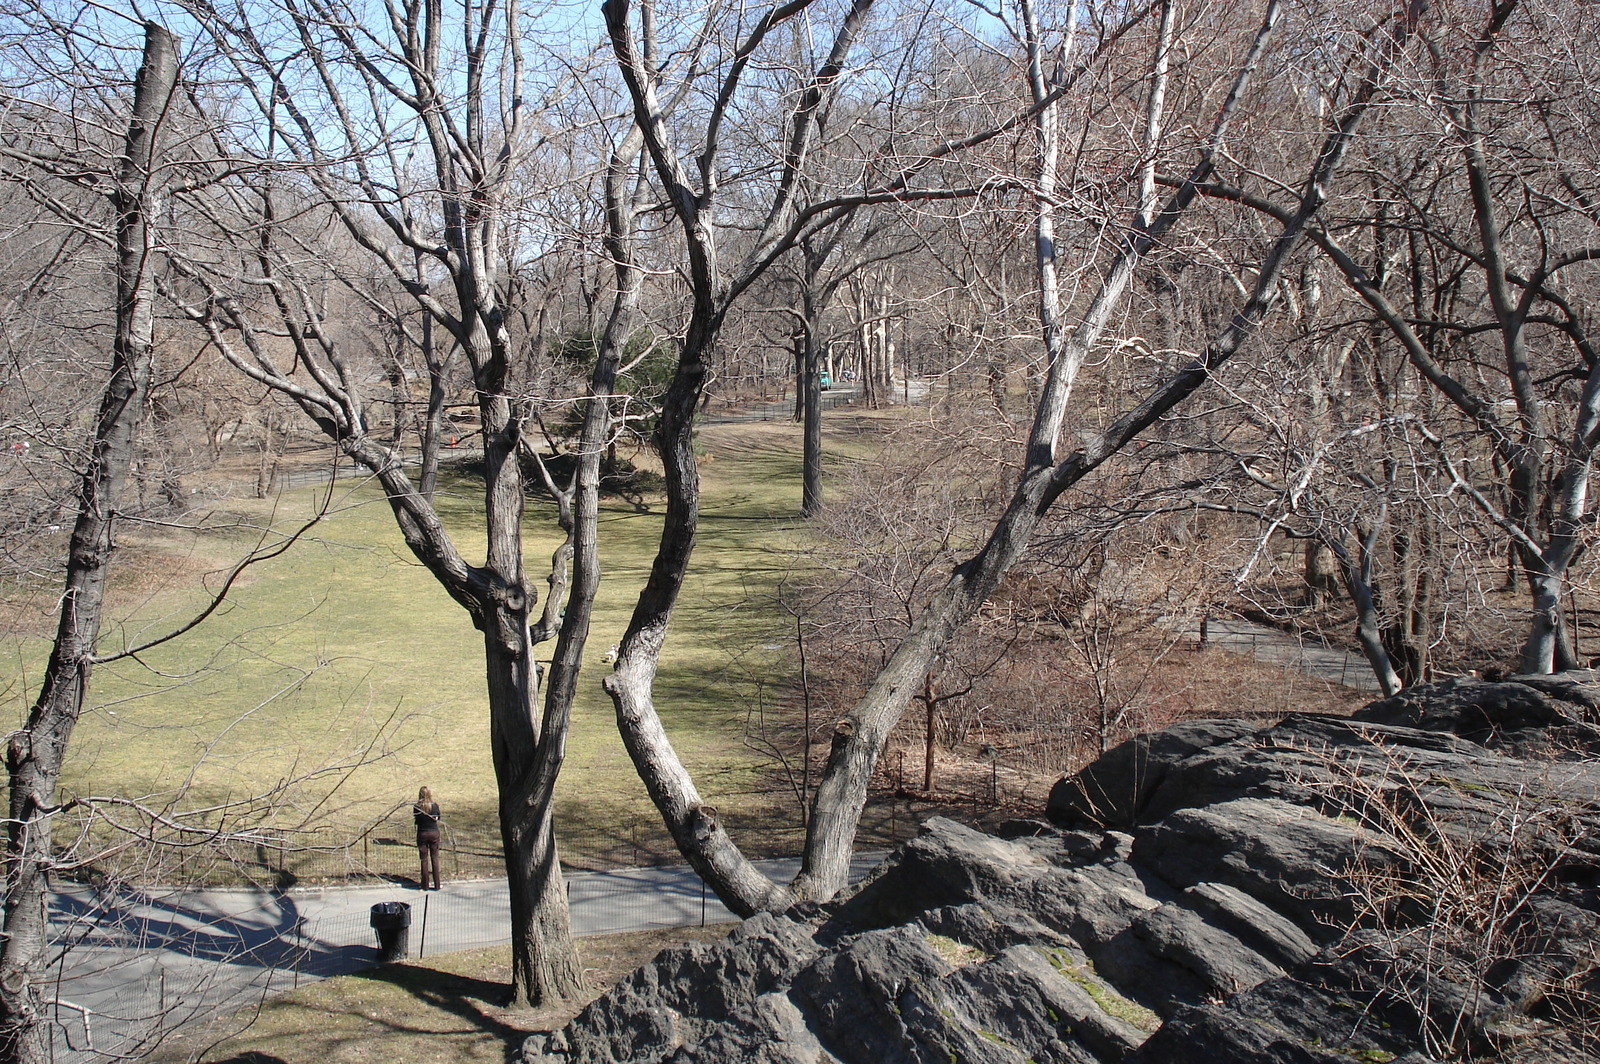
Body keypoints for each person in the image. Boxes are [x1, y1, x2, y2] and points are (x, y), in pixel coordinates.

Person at [413, 785, 442, 890]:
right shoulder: (435, 806)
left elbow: (416, 820)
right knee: (435, 858)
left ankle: (424, 885)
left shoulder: (417, 807)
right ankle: (437, 885)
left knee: (424, 860)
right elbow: (438, 818)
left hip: (422, 834)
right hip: (434, 833)